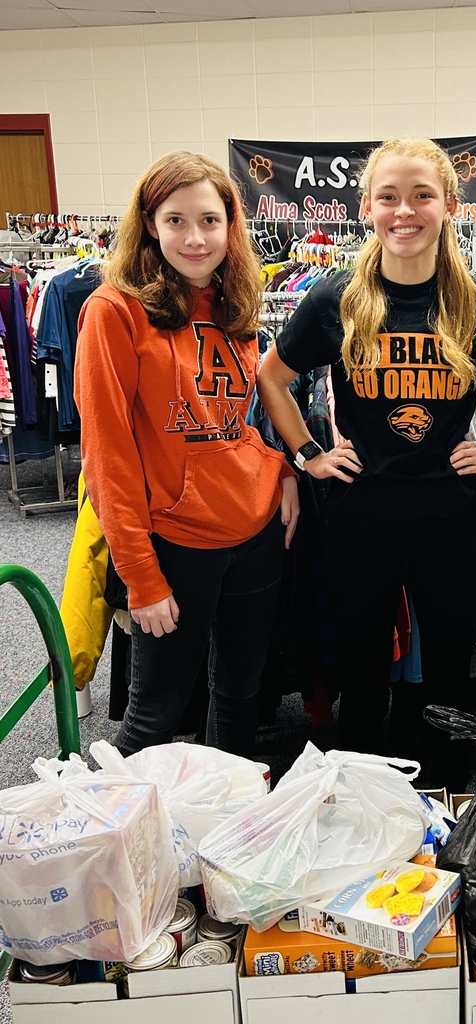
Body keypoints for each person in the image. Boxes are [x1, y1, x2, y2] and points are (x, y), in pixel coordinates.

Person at [257, 137, 476, 788]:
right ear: (367, 208)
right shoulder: (337, 298)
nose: (404, 211)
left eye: (421, 196)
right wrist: (309, 454)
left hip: (449, 519)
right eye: (388, 197)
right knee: (362, 672)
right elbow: (271, 377)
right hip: (361, 518)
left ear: (450, 205)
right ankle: (362, 799)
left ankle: (445, 797)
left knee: (449, 676)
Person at [75, 150, 299, 759]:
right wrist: (140, 576)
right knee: (155, 713)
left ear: (231, 225)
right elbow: (107, 456)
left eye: (209, 220)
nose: (195, 238)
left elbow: (231, 425)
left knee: (240, 699)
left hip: (255, 533)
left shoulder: (235, 306)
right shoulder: (113, 311)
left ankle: (228, 812)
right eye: (176, 220)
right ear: (150, 224)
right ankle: (118, 821)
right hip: (176, 542)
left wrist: (282, 469)